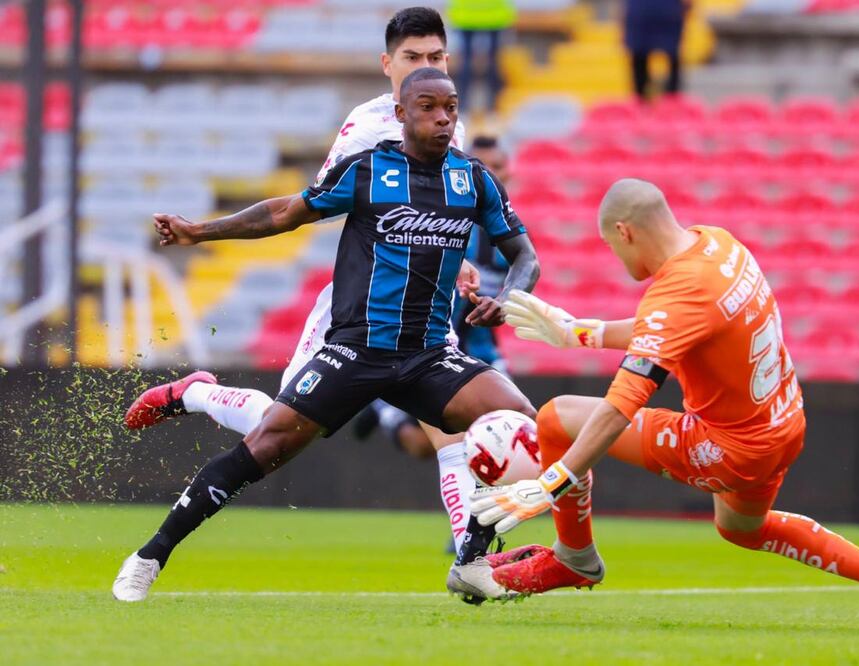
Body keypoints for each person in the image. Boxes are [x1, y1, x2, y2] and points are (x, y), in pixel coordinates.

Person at [112, 68, 541, 605]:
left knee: (520, 422)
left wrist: (511, 298)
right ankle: (150, 556)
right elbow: (285, 213)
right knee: (267, 443)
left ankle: (472, 561)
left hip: (428, 354)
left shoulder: (473, 180)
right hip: (356, 350)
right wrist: (201, 230)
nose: (442, 119)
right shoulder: (368, 170)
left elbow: (524, 255)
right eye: (428, 107)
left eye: (450, 108)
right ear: (401, 115)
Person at [470, 178, 859, 632]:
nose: (617, 258)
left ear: (625, 232)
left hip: (729, 447)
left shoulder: (679, 291)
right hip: (784, 424)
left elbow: (623, 402)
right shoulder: (719, 245)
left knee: (557, 417)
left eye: (611, 246)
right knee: (741, 528)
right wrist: (577, 332)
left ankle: (574, 558)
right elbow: (674, 325)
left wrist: (551, 483)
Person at [356, 135, 515, 460]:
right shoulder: (441, 220)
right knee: (424, 446)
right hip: (430, 346)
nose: (491, 174)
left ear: (509, 172)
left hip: (482, 350)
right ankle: (385, 409)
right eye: (484, 167)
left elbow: (523, 276)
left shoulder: (510, 234)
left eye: (497, 166)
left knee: (509, 431)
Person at [448, 0, 516, 113]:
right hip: (494, 14)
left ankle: (463, 104)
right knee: (494, 61)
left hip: (466, 14)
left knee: (465, 61)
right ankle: (494, 104)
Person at [624, 0, 689, 99]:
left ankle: (671, 98)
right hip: (652, 12)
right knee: (640, 58)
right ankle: (642, 98)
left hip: (662, 12)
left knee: (671, 57)